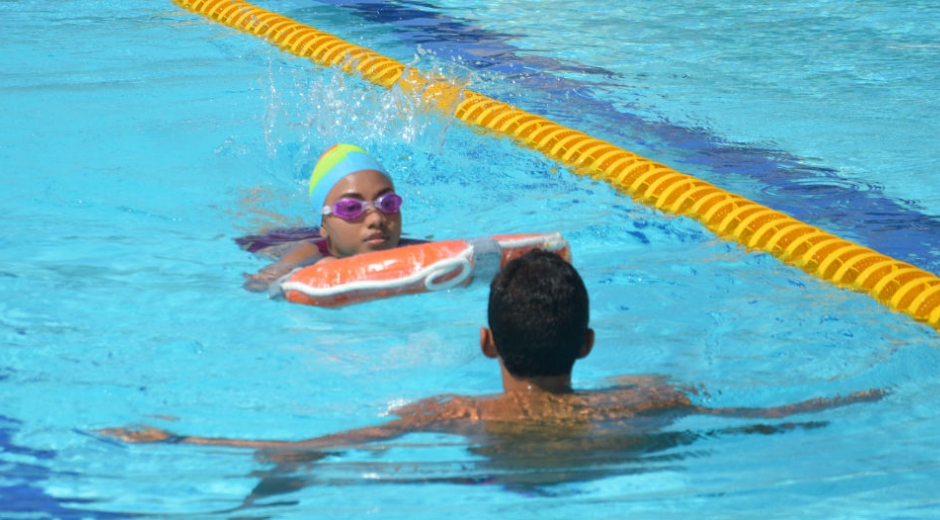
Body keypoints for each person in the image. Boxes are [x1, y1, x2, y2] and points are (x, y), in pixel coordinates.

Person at [100, 250, 886, 450]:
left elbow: (311, 448)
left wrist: (182, 438)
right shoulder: (650, 397)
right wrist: (853, 397)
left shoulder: (451, 414)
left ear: (485, 343)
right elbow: (767, 417)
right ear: (586, 343)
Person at [242, 144, 404, 292]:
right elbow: (256, 284)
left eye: (388, 203)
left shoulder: (404, 243)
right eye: (351, 208)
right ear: (324, 224)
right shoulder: (308, 252)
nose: (376, 219)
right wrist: (313, 273)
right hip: (275, 241)